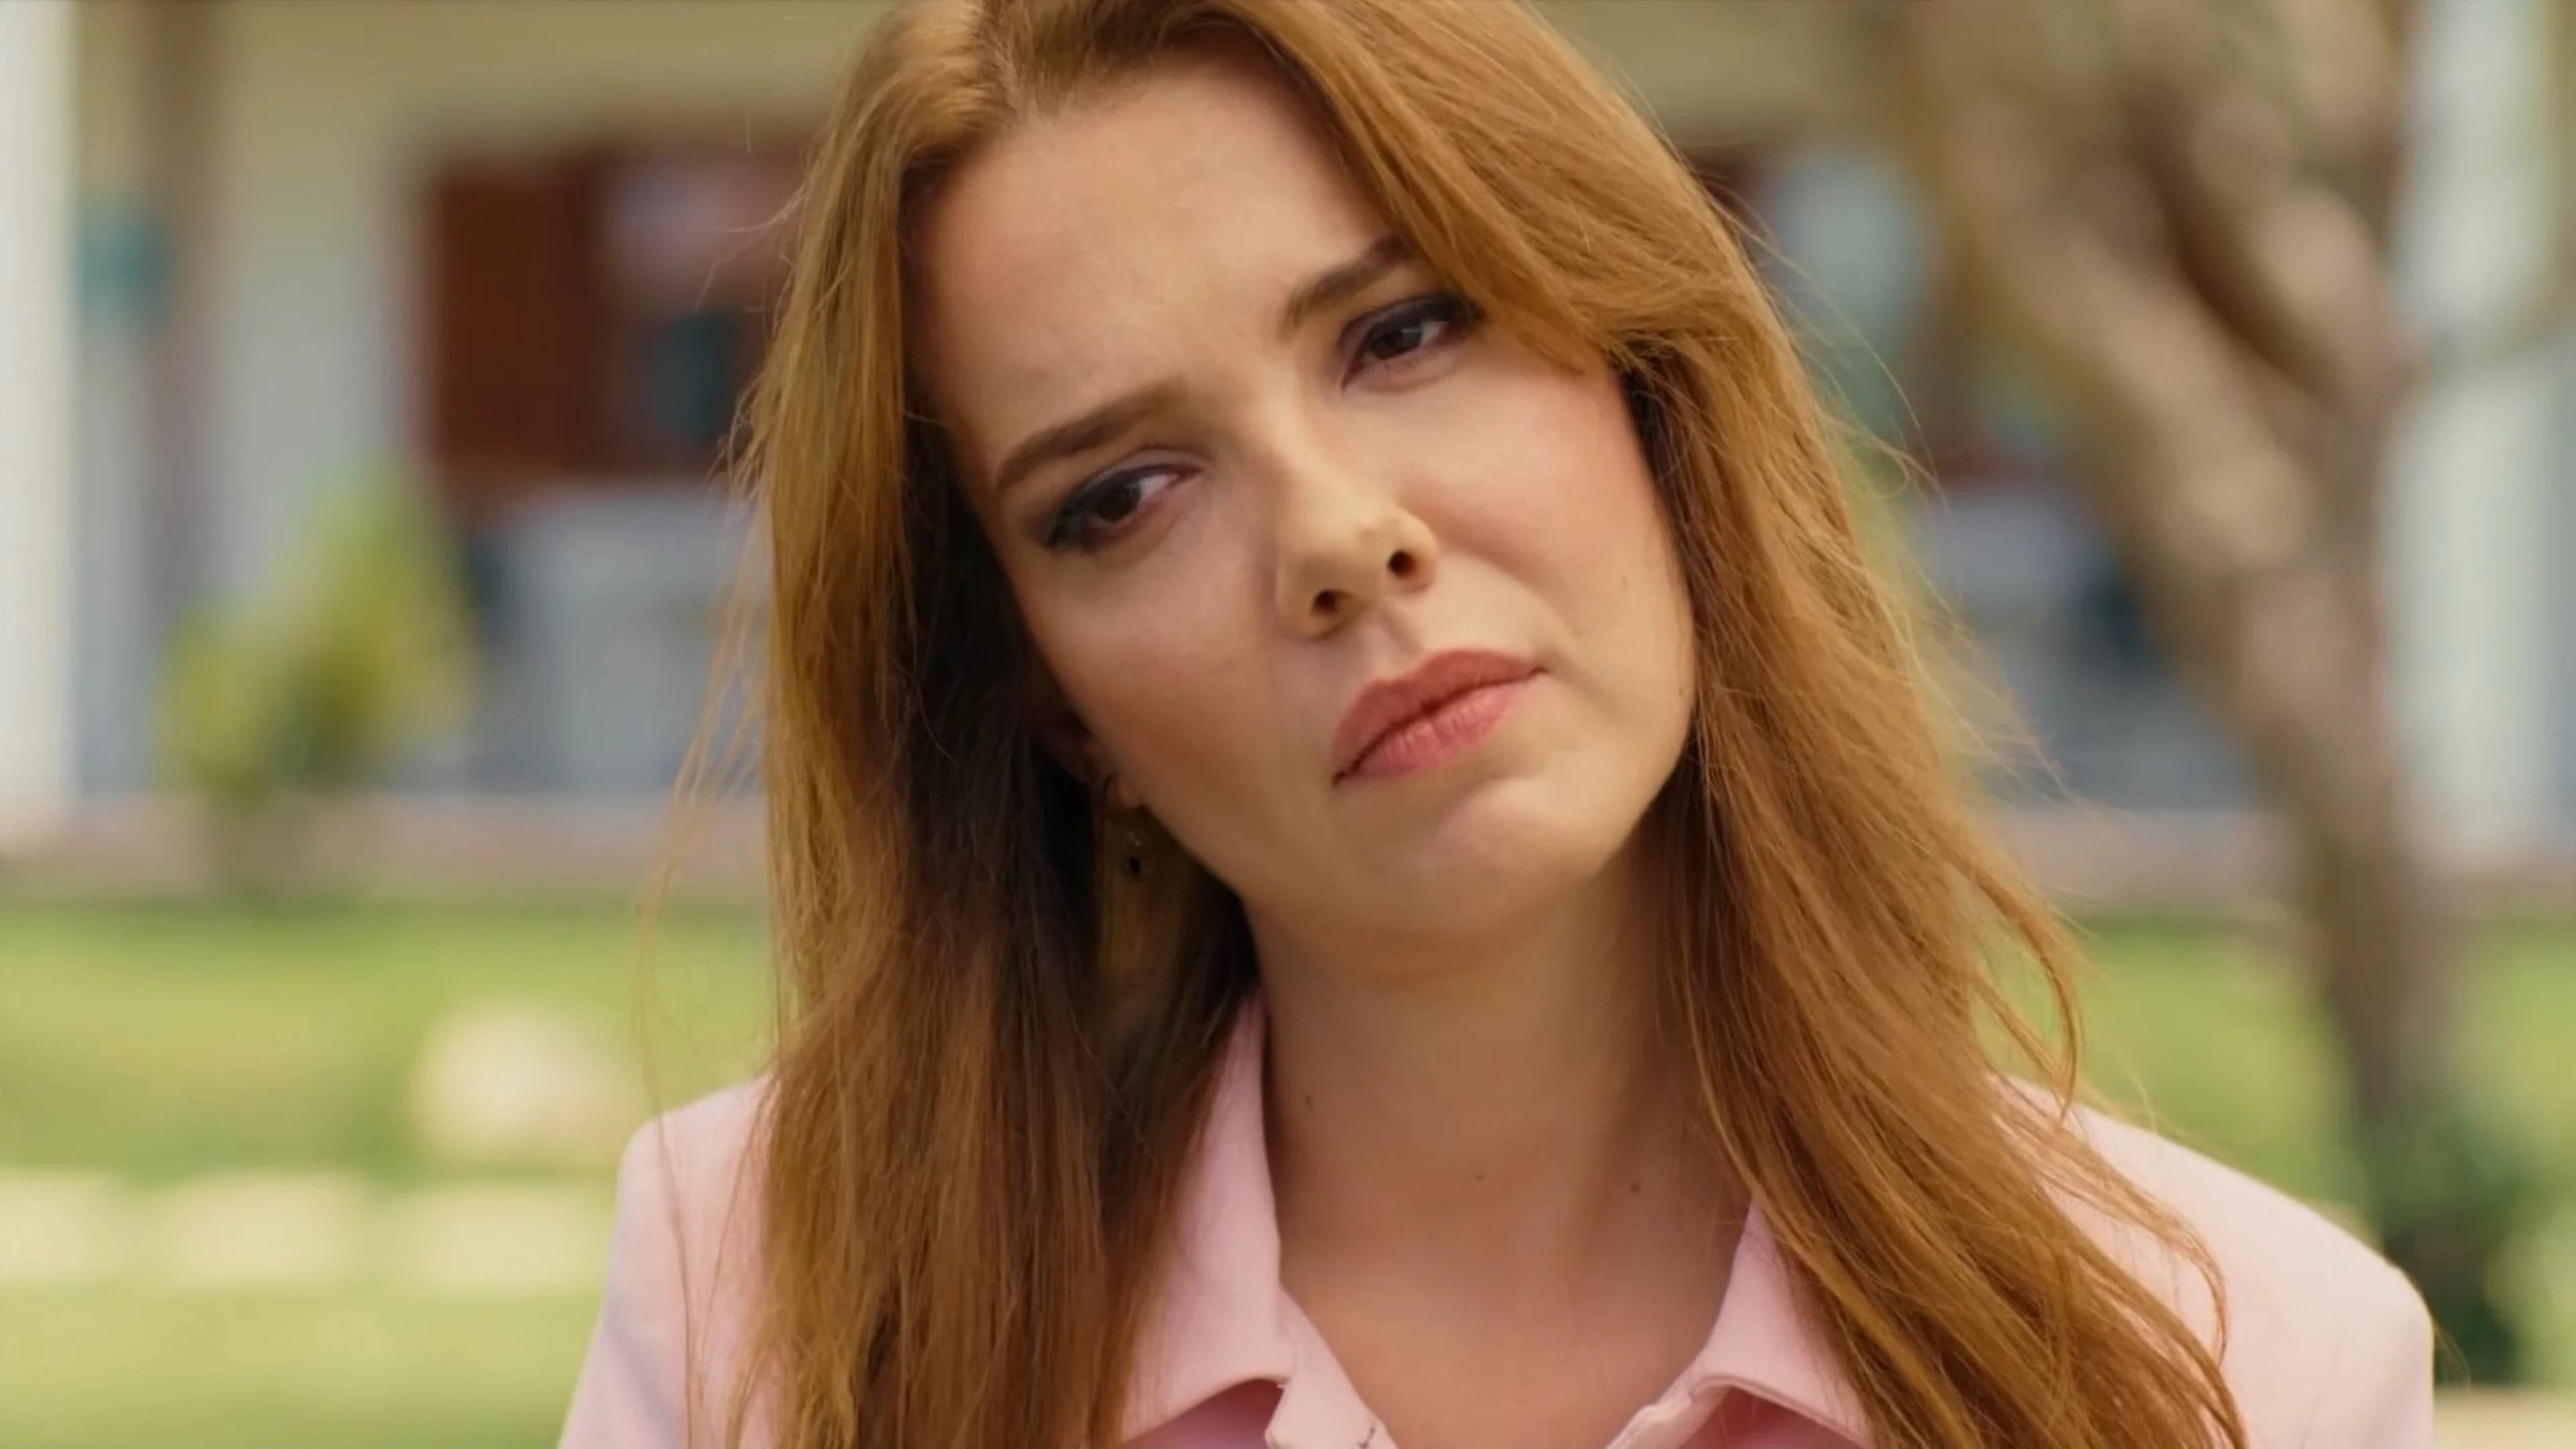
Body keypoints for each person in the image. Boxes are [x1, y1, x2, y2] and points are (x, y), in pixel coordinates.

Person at [558, 1, 2435, 1445]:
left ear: (1649, 385)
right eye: (1122, 495)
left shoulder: (2233, 1366)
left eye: (1403, 335)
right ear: (1053, 704)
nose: (1338, 539)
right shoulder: (779, 1314)